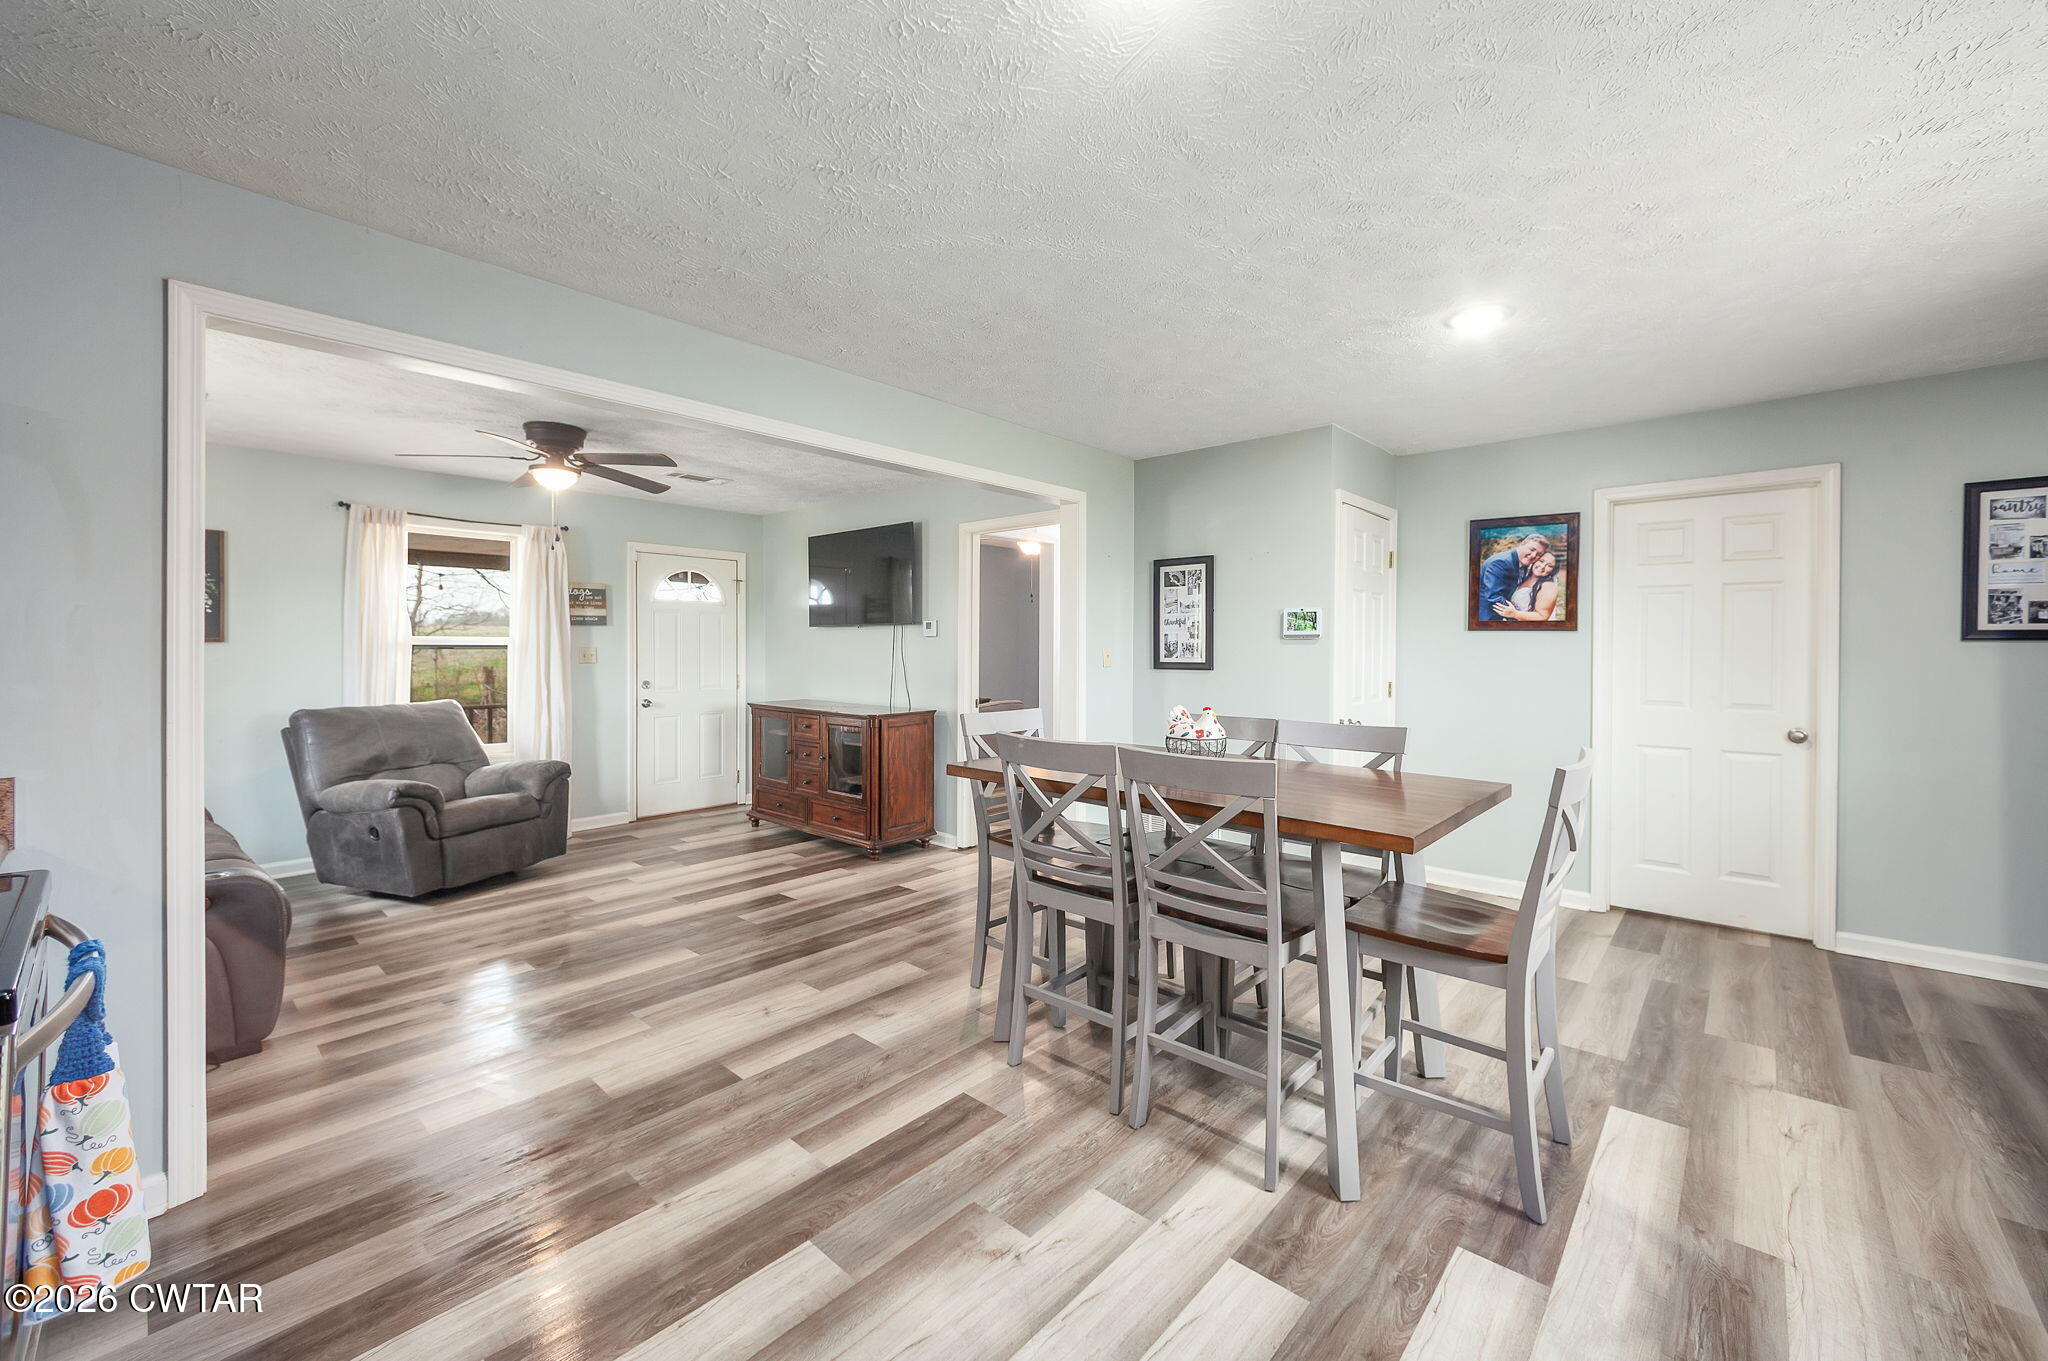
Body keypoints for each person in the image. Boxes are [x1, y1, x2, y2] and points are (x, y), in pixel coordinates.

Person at [1477, 533, 1549, 623]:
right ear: (1523, 543)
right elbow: (1493, 596)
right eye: (1532, 549)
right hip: (1490, 618)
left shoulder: (1523, 563)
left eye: (1539, 554)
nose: (1533, 555)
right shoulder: (1500, 563)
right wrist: (1516, 616)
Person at [1493, 548, 1564, 622]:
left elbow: (1542, 616)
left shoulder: (1548, 587)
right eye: (1541, 561)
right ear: (1536, 560)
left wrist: (1515, 614)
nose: (1542, 566)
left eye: (1549, 566)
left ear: (1553, 570)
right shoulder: (1524, 575)